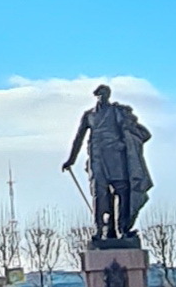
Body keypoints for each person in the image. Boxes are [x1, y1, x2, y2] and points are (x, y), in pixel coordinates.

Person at [63, 85, 153, 244]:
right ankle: (102, 229)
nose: (102, 97)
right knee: (100, 195)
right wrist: (71, 159)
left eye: (104, 94)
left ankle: (124, 228)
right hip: (97, 159)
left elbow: (137, 132)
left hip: (117, 158)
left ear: (109, 95)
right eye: (99, 95)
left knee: (123, 193)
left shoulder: (117, 112)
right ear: (96, 96)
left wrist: (127, 130)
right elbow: (79, 138)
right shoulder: (89, 115)